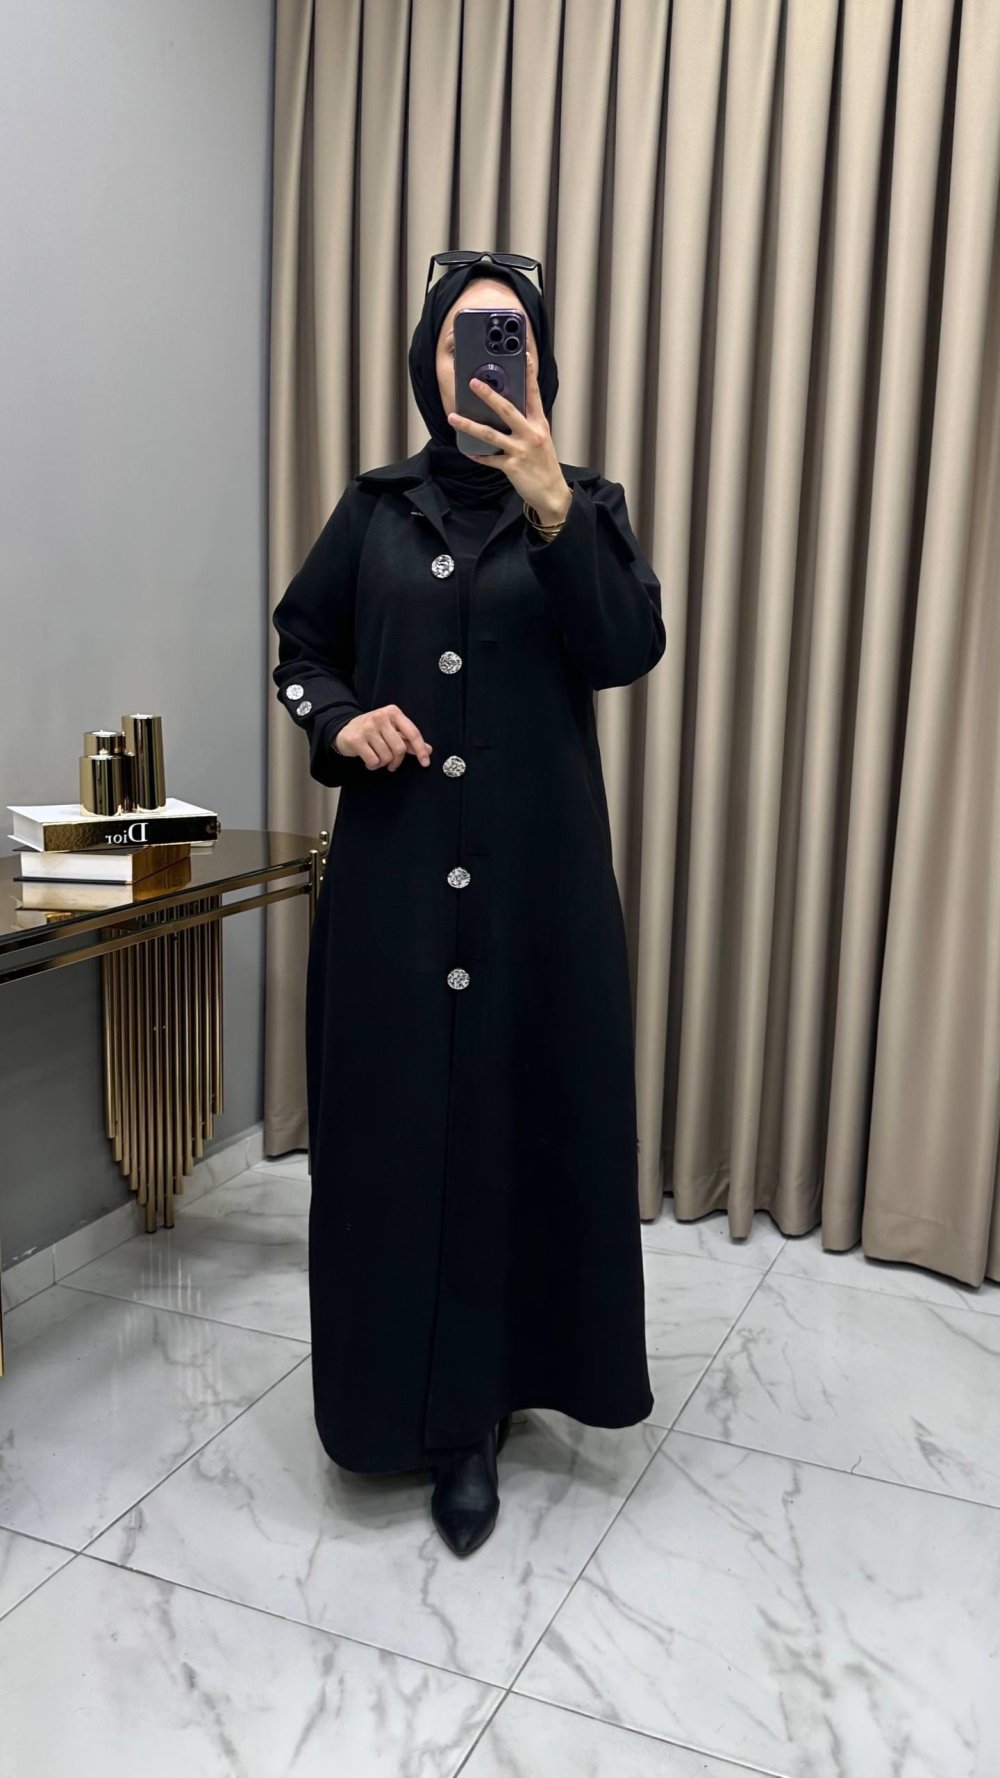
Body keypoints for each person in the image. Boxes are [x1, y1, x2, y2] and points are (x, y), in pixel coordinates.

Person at [272, 250, 666, 1559]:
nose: (484, 358)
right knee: (396, 1140)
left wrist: (552, 503)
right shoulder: (374, 509)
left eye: (510, 338)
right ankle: (405, 1406)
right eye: (461, 337)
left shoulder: (585, 505)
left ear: (539, 366)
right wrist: (340, 720)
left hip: (536, 898)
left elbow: (624, 649)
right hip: (394, 885)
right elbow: (302, 648)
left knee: (516, 1126)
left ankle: (485, 1413)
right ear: (427, 361)